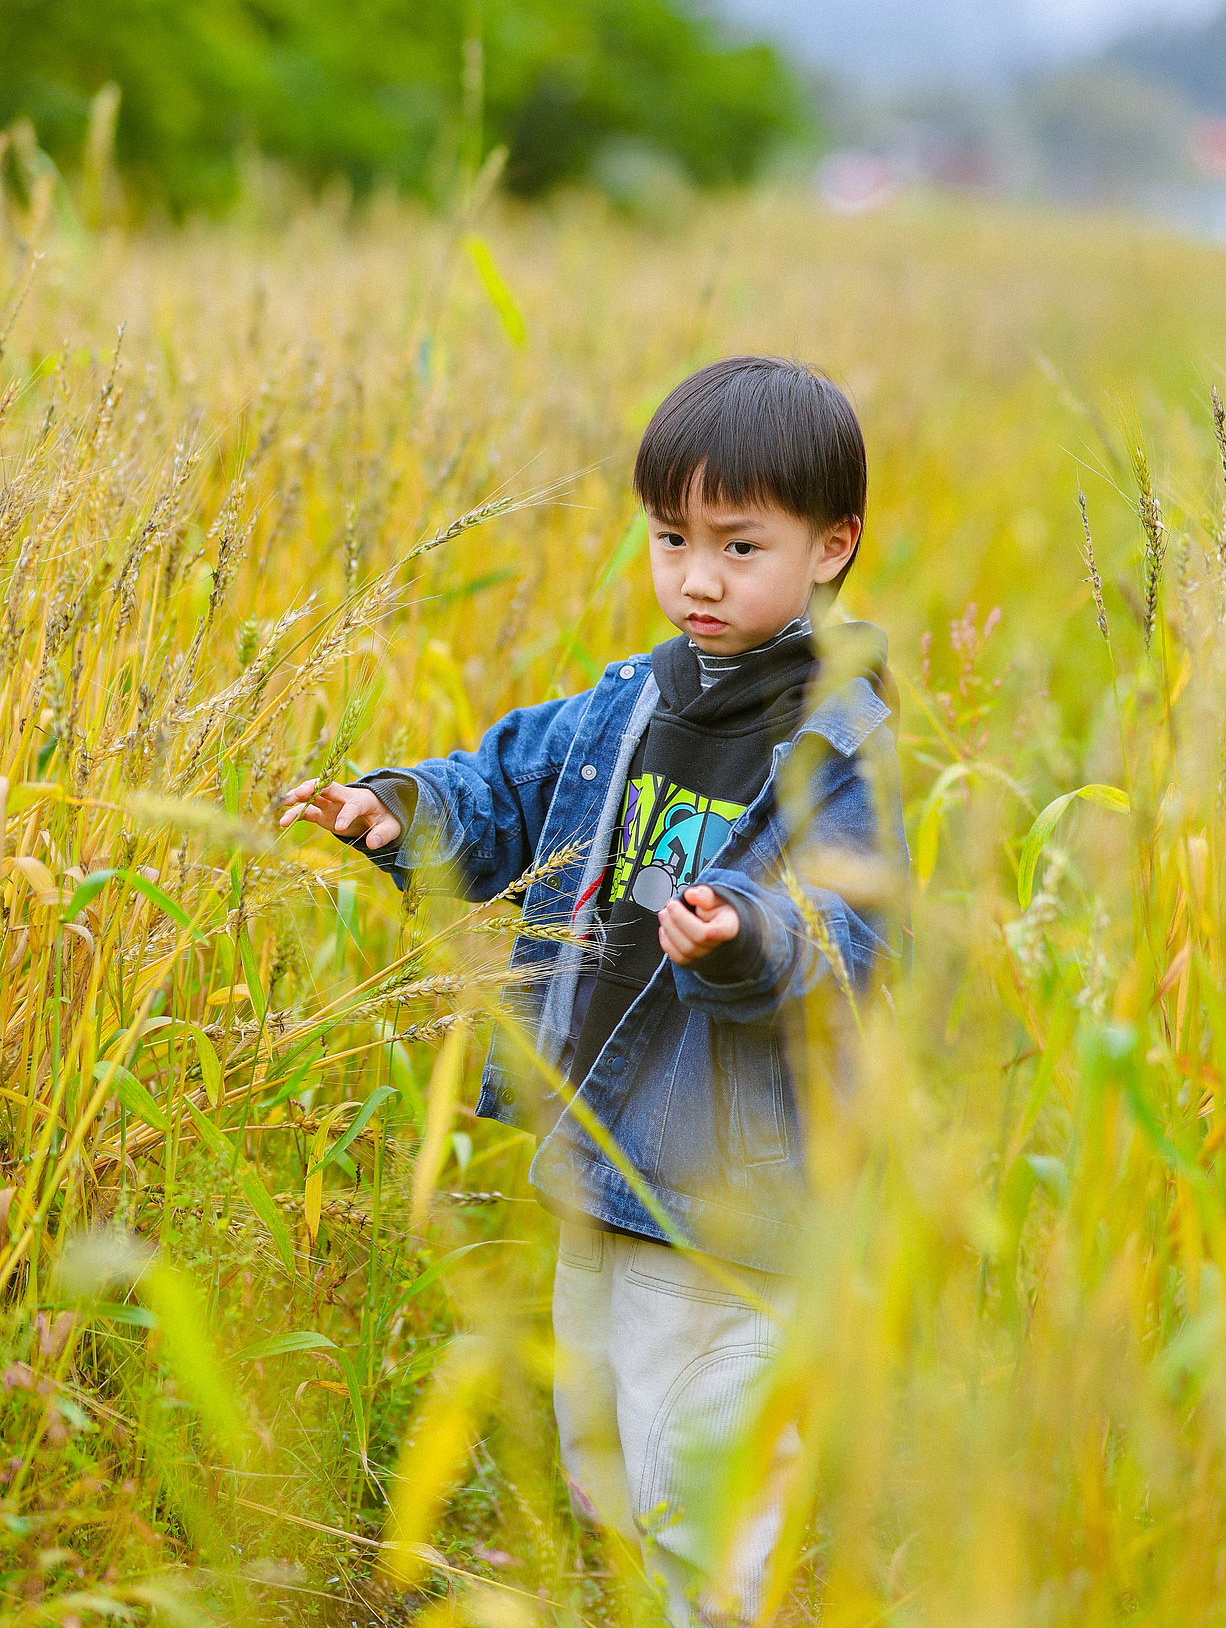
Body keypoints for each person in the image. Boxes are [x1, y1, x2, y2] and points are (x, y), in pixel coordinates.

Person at [280, 355, 908, 1625]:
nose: (695, 577)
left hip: (727, 1184)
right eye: (670, 538)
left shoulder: (837, 741)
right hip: (600, 1140)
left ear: (829, 548)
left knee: (700, 1468)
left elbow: (857, 926)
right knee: (605, 1442)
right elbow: (506, 788)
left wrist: (747, 934)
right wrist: (399, 808)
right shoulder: (634, 698)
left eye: (739, 546)